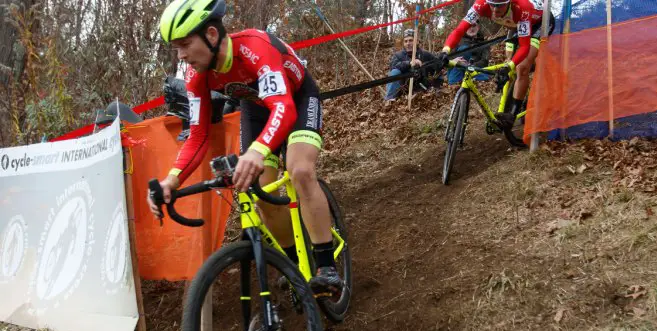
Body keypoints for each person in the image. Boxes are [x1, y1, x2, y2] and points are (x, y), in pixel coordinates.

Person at [147, 0, 345, 296]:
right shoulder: (195, 76)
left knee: (300, 170)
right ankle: (294, 266)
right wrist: (171, 179)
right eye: (177, 48)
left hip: (297, 99)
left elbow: (285, 108)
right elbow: (198, 135)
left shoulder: (255, 46)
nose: (182, 55)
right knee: (260, 192)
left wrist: (256, 151)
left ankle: (326, 266)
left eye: (185, 44)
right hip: (256, 108)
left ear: (212, 35)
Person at [439, 0, 555, 132]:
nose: (494, 9)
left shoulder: (522, 8)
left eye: (499, 5)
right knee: (508, 60)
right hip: (514, 24)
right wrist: (445, 50)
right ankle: (513, 91)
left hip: (540, 22)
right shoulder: (480, 5)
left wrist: (509, 67)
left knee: (521, 66)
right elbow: (460, 30)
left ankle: (513, 113)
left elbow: (524, 46)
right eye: (492, 4)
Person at [385, 29, 443, 101]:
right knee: (395, 72)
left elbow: (439, 64)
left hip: (421, 89)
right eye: (406, 41)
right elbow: (393, 67)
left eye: (411, 40)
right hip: (403, 90)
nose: (408, 43)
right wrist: (409, 63)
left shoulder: (425, 54)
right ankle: (389, 100)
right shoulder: (398, 55)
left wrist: (451, 61)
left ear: (417, 42)